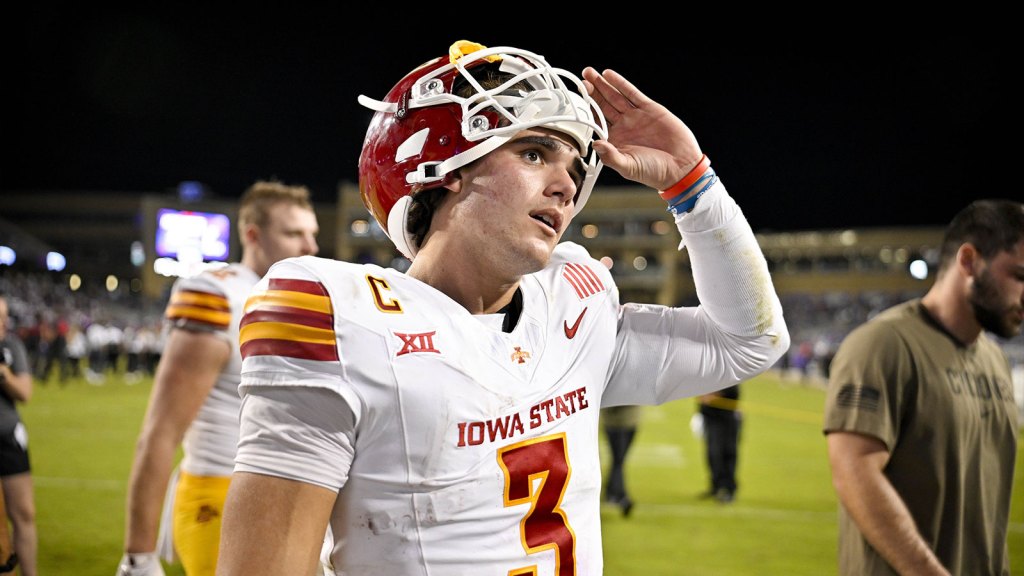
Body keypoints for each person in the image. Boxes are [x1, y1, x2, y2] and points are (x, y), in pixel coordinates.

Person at [217, 40, 790, 575]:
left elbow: (748, 341)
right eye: (535, 152)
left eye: (573, 167)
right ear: (446, 171)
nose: (567, 186)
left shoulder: (573, 307)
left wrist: (694, 185)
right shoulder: (345, 319)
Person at [116, 180, 320, 576]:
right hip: (220, 492)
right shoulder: (218, 294)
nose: (310, 246)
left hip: (290, 496)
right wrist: (138, 555)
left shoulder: (293, 295)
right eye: (293, 233)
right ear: (252, 235)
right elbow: (161, 431)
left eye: (311, 233)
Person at [823, 199, 1022, 575]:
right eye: (1019, 276)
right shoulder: (882, 345)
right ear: (969, 261)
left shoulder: (994, 360)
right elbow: (854, 471)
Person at [0, 295, 36, 576]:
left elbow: (25, 392)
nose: (3, 323)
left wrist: (2, 373)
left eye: (4, 317)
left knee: (23, 514)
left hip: (8, 439)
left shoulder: (11, 346)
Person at [697, 383, 741, 503]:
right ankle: (715, 485)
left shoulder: (729, 370)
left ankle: (729, 489)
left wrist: (715, 395)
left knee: (727, 453)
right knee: (712, 454)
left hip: (727, 419)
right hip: (711, 417)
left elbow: (733, 391)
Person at [601, 405, 641, 516]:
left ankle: (612, 491)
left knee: (618, 460)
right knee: (618, 460)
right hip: (616, 422)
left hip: (629, 421)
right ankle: (621, 496)